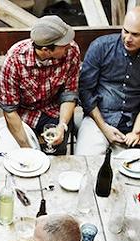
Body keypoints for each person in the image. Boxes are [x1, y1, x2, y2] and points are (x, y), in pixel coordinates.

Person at [0, 15, 80, 156]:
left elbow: (69, 93)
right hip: (23, 116)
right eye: (63, 45)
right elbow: (9, 110)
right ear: (46, 50)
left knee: (56, 156)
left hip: (55, 111)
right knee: (12, 158)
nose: (69, 46)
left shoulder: (71, 51)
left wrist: (62, 126)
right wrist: (28, 150)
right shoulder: (14, 60)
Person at [75, 7, 140, 155]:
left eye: (135, 35)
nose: (128, 38)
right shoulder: (101, 47)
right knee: (87, 160)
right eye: (125, 31)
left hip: (134, 121)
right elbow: (85, 92)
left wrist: (137, 131)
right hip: (98, 119)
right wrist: (104, 128)